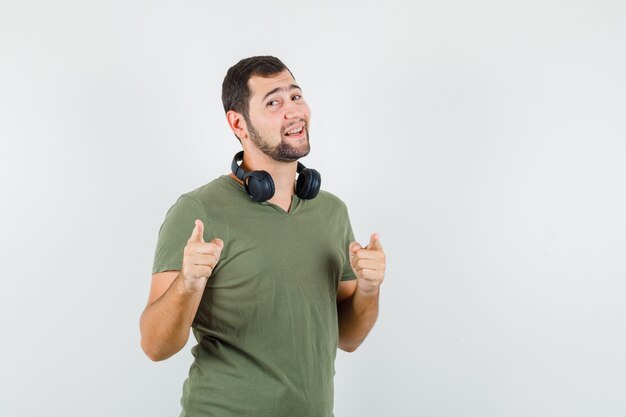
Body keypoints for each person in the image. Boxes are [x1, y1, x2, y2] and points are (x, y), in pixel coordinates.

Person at [139, 56, 386, 417]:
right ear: (238, 123)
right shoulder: (198, 212)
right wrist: (188, 284)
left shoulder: (332, 212)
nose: (293, 111)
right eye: (274, 102)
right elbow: (154, 346)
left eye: (296, 97)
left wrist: (368, 288)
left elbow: (348, 338)